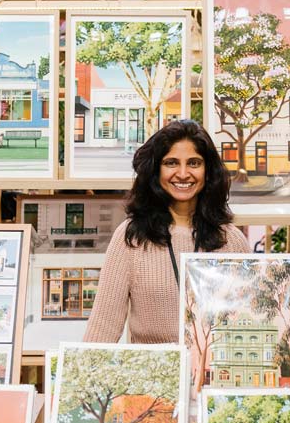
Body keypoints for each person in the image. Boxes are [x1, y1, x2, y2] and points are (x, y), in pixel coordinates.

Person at [83, 119, 250, 344]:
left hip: (214, 365)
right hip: (151, 366)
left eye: (194, 163)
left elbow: (249, 321)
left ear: (208, 171)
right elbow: (102, 328)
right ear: (155, 170)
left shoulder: (232, 241)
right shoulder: (131, 237)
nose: (183, 173)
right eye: (171, 163)